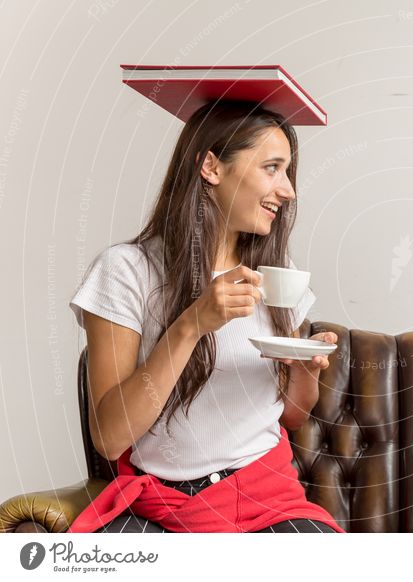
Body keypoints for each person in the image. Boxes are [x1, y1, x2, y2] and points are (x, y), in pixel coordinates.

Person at [67, 100, 343, 533]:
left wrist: (306, 369)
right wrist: (191, 325)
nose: (288, 190)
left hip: (269, 500)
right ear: (211, 168)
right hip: (163, 507)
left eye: (288, 172)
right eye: (272, 168)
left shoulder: (275, 271)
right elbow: (110, 435)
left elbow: (292, 416)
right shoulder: (125, 271)